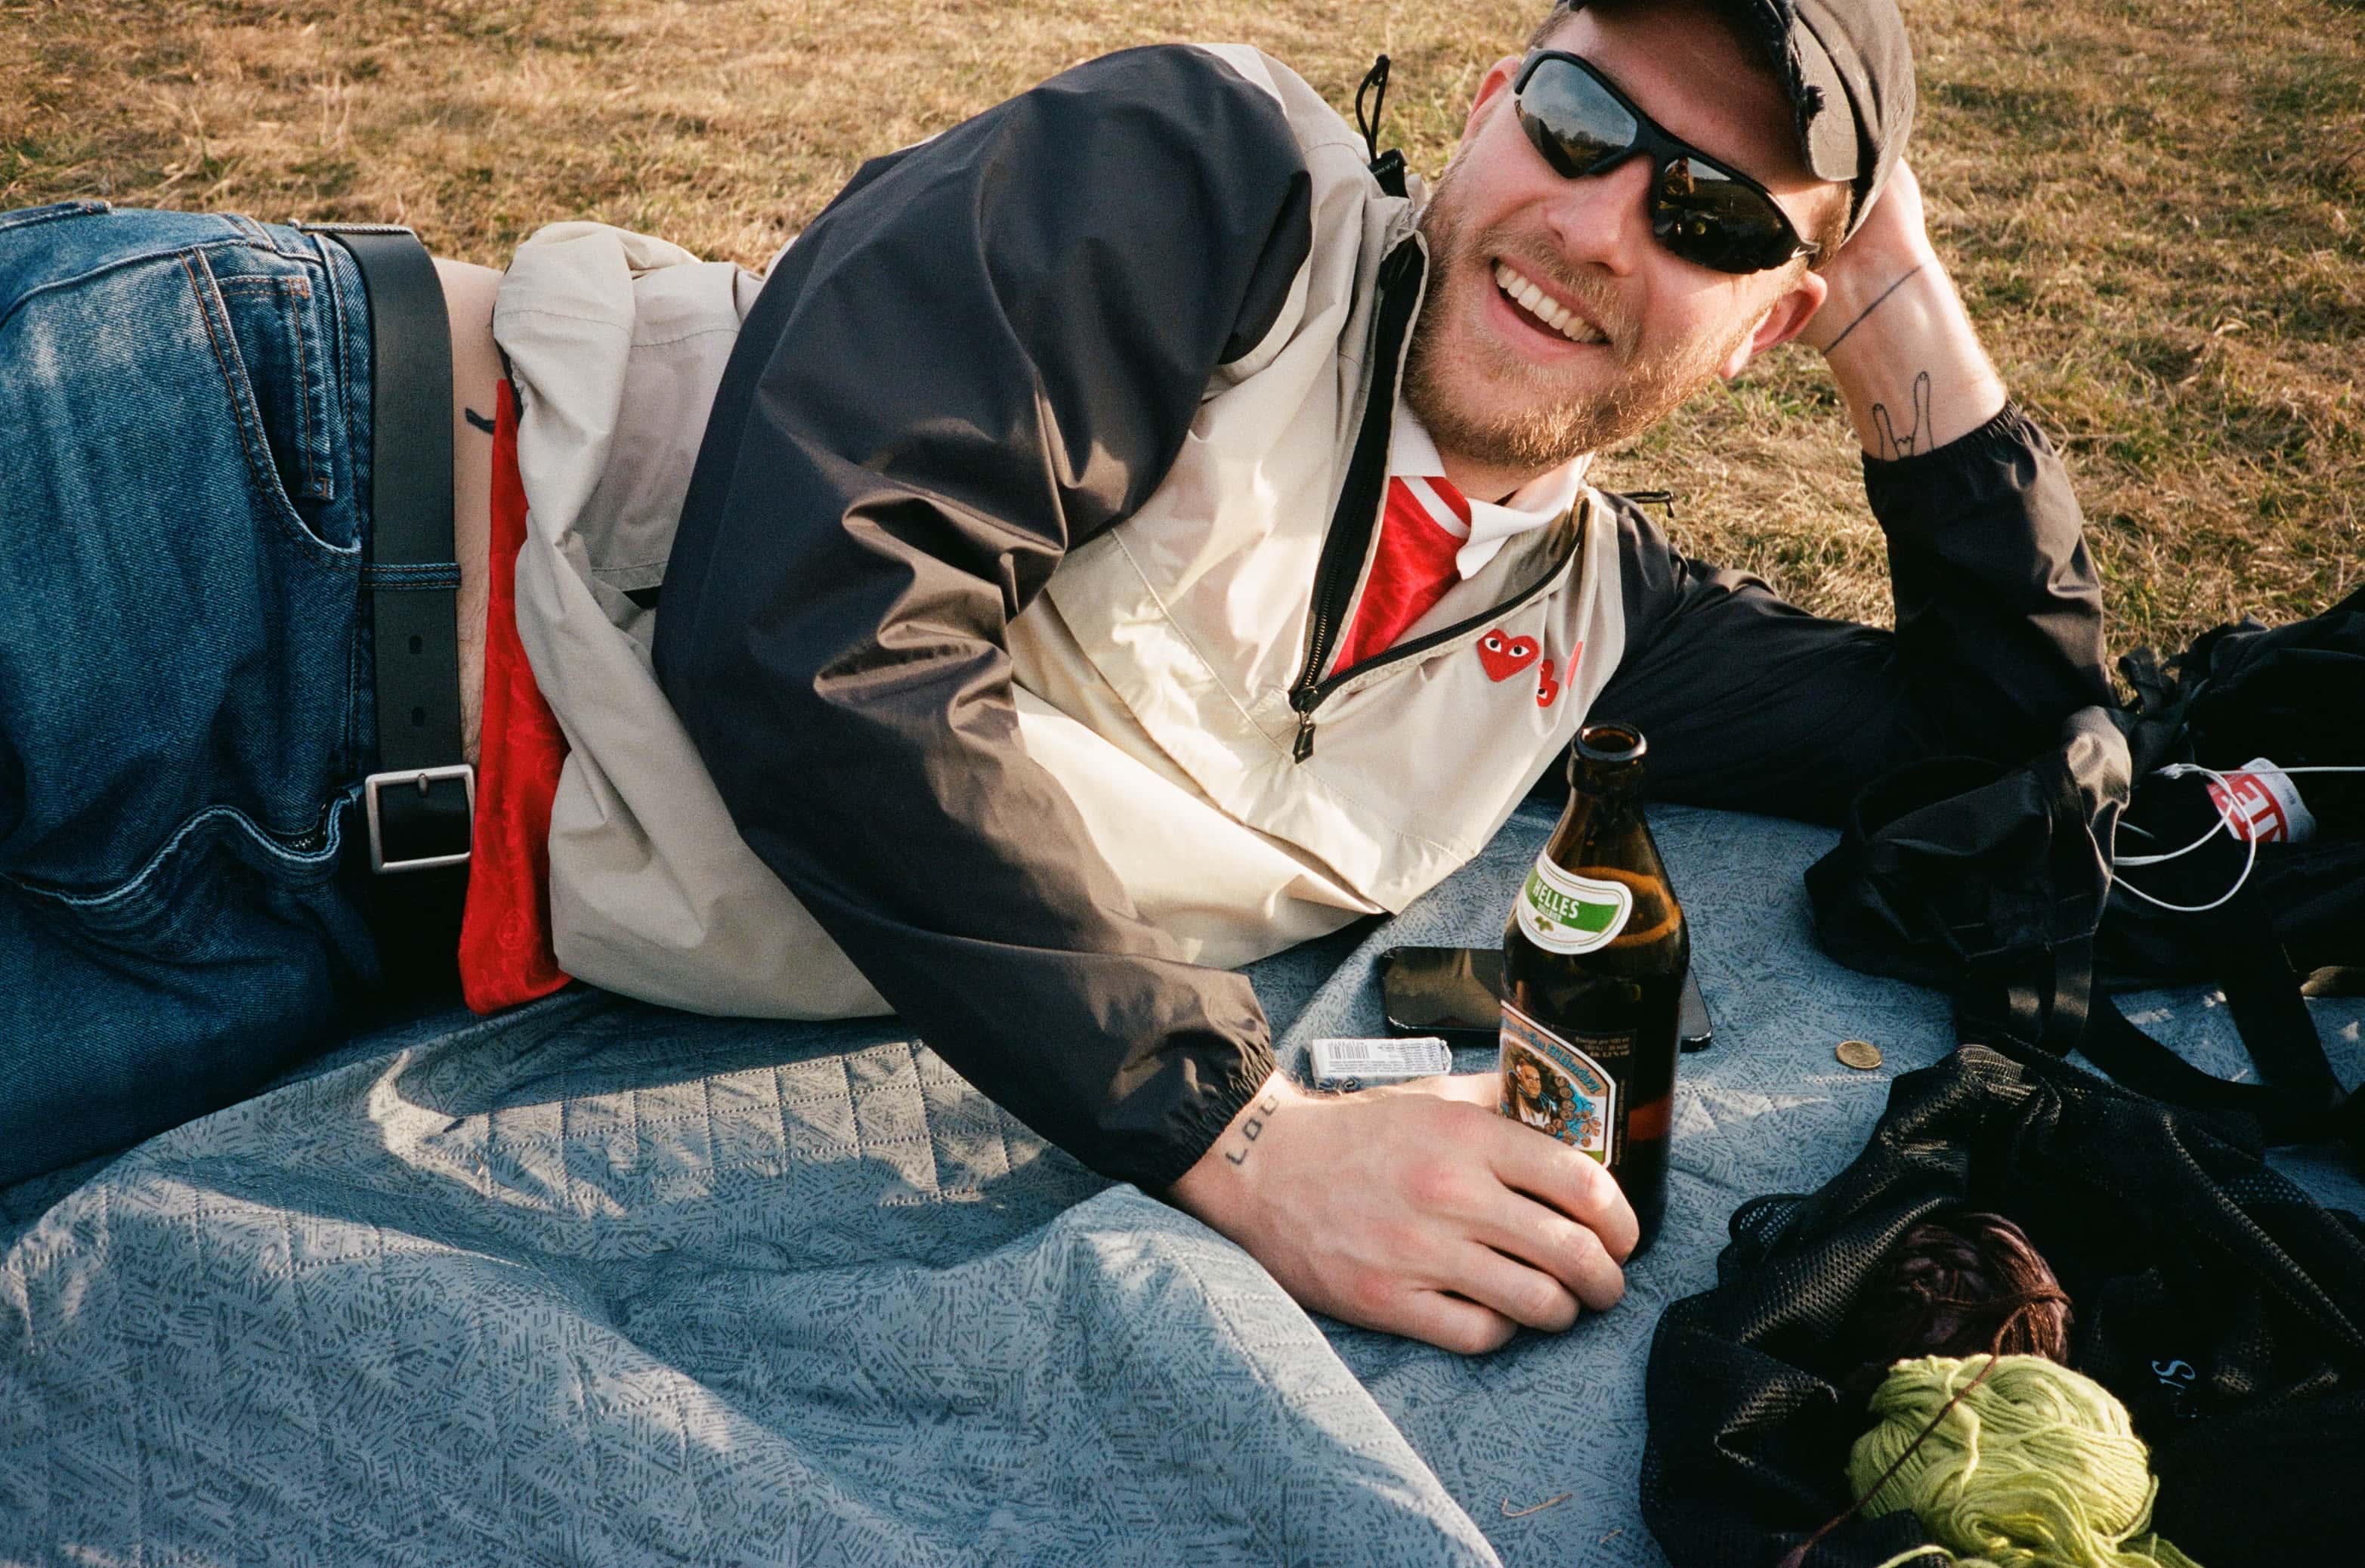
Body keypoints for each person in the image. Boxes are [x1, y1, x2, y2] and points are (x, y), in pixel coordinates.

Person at [0, 0, 2107, 1353]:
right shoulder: (1221, 182)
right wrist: (1240, 1132)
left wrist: (1894, 297)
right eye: (1575, 121)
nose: (1594, 221)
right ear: (1487, 107)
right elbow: (819, 617)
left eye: (1716, 217)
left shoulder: (1592, 622)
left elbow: (2008, 741)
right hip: (223, 512)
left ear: (1780, 316)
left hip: (331, 920)